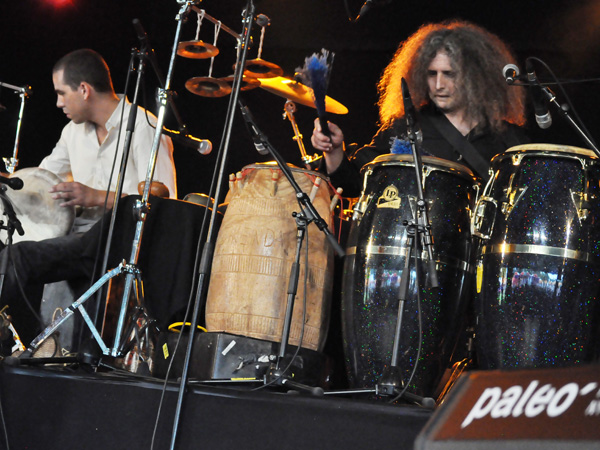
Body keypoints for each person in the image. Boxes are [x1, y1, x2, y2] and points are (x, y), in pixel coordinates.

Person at [0, 49, 177, 347]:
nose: (58, 103)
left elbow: (164, 200)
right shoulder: (73, 132)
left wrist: (96, 197)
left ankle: (37, 345)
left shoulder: (143, 126)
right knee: (13, 253)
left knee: (19, 259)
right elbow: (36, 182)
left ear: (83, 90)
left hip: (118, 243)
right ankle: (36, 348)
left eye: (61, 93)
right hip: (81, 243)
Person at [311, 20, 528, 197]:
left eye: (449, 74)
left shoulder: (506, 139)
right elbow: (352, 186)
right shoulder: (404, 127)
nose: (439, 85)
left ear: (474, 78)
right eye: (432, 74)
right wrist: (333, 150)